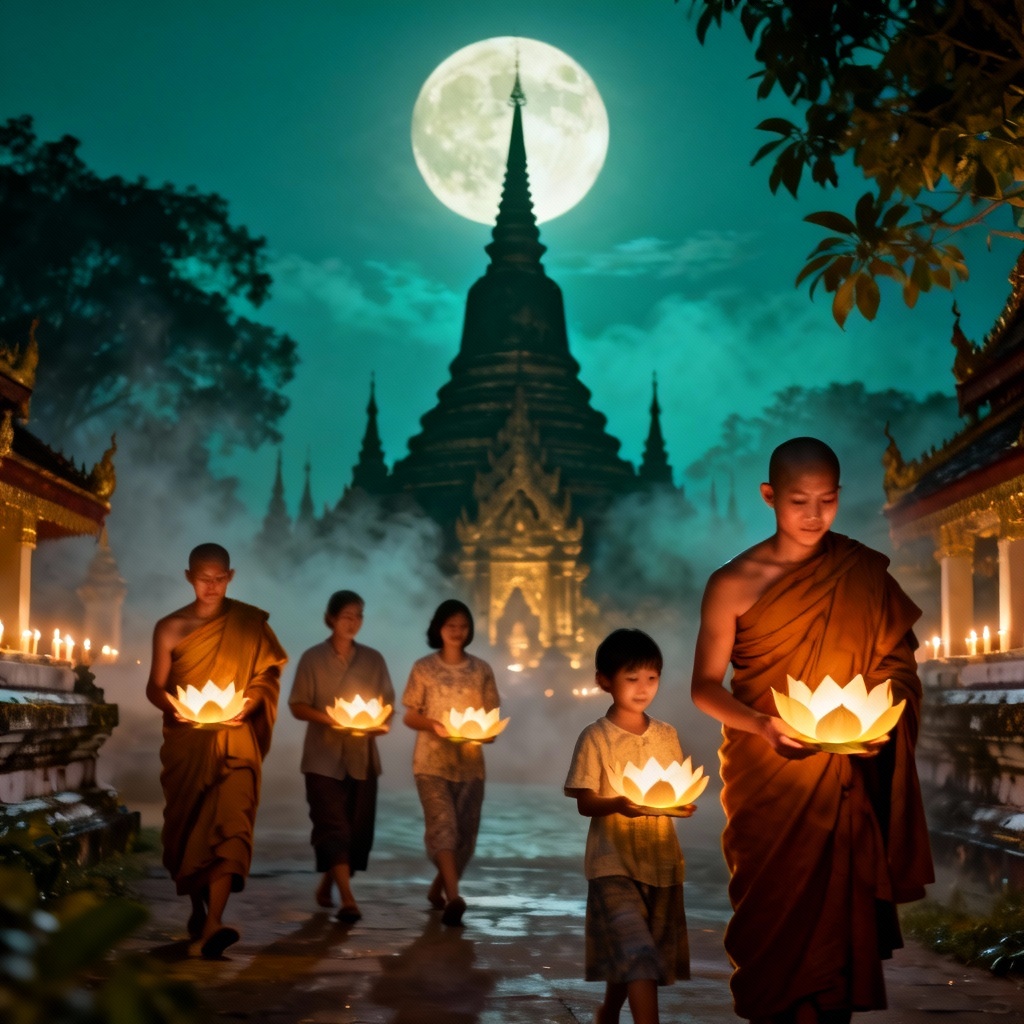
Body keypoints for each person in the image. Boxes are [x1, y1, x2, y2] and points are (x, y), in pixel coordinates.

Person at [690, 437, 934, 1024]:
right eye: (799, 501)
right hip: (767, 773)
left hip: (844, 771)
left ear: (839, 498)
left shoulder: (860, 572)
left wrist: (883, 718)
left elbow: (896, 670)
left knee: (835, 944)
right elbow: (703, 687)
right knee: (774, 919)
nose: (814, 515)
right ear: (769, 496)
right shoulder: (734, 582)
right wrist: (762, 727)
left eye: (827, 500)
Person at [145, 542, 287, 958]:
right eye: (204, 578)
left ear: (231, 576)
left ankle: (213, 922)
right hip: (189, 743)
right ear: (189, 577)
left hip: (235, 738)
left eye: (220, 578)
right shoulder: (170, 627)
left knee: (232, 826)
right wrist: (174, 706)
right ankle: (198, 907)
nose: (212, 586)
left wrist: (252, 702)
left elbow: (267, 674)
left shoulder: (248, 623)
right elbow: (156, 686)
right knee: (191, 830)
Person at [565, 628, 693, 1024]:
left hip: (660, 861)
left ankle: (608, 1012)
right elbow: (585, 801)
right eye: (631, 678)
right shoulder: (595, 738)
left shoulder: (667, 735)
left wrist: (678, 806)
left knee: (637, 951)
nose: (643, 688)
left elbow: (672, 790)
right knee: (638, 953)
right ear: (604, 680)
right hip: (612, 863)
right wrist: (619, 804)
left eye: (651, 678)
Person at [288, 590, 394, 923]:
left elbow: (387, 704)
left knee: (357, 830)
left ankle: (327, 884)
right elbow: (298, 705)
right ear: (331, 617)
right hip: (323, 758)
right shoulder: (312, 658)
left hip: (362, 757)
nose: (353, 622)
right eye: (347, 615)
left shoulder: (373, 659)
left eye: (359, 615)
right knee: (332, 825)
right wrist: (331, 719)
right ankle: (348, 899)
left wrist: (380, 725)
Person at [402, 599, 499, 927]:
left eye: (463, 626)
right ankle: (454, 898)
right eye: (451, 625)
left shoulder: (482, 670)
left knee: (466, 835)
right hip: (431, 762)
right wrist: (434, 725)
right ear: (438, 629)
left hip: (470, 764)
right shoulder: (423, 668)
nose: (457, 632)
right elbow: (411, 715)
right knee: (444, 827)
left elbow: (491, 718)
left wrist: (485, 734)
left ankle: (437, 887)